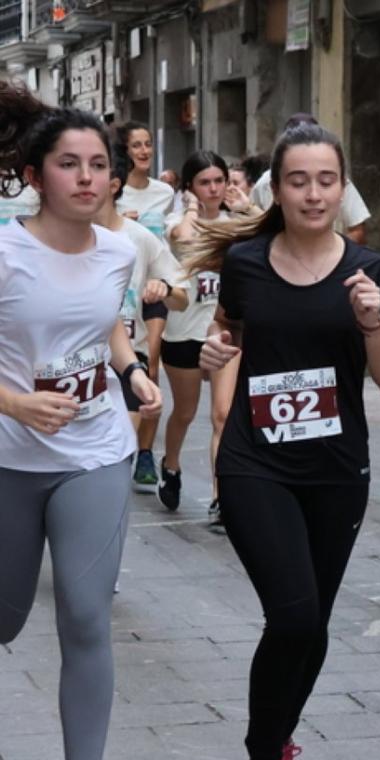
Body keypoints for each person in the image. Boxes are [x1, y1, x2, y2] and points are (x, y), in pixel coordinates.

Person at [197, 122, 380, 760]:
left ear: (340, 187)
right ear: (277, 190)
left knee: (311, 625)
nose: (314, 193)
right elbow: (227, 336)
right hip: (257, 462)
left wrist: (373, 324)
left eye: (326, 180)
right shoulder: (248, 263)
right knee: (292, 614)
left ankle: (272, 757)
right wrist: (213, 364)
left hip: (337, 470)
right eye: (298, 180)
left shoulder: (370, 271)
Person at [0, 79, 162, 760]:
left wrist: (131, 373)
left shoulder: (118, 250)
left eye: (100, 163)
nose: (89, 177)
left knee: (85, 615)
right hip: (7, 453)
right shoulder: (3, 249)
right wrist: (14, 403)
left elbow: (109, 330)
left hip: (94, 447)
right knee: (3, 617)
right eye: (71, 163)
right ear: (36, 175)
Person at [158, 150, 233, 527]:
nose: (214, 188)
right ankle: (170, 465)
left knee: (222, 415)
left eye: (219, 180)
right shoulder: (178, 220)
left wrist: (246, 206)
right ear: (190, 188)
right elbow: (184, 237)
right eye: (204, 182)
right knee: (185, 412)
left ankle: (221, 497)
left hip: (222, 331)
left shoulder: (236, 222)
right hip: (183, 331)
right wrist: (190, 208)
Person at [95, 146, 190, 429]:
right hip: (78, 361)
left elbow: (182, 298)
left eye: (96, 168)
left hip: (128, 360)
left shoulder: (139, 238)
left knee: (121, 454)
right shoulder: (65, 237)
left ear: (114, 185)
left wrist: (164, 288)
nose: (83, 178)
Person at [115, 121, 177, 492]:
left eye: (148, 144)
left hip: (153, 287)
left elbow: (172, 234)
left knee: (150, 365)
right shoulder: (115, 195)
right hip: (123, 286)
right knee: (126, 366)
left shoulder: (165, 192)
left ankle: (145, 453)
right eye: (136, 145)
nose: (144, 151)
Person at [250, 113, 371, 244]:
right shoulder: (264, 183)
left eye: (325, 183)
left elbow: (357, 228)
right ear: (276, 190)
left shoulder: (337, 179)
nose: (314, 196)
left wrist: (337, 255)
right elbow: (253, 225)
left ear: (342, 189)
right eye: (298, 183)